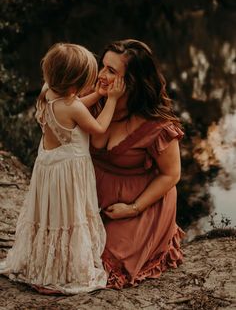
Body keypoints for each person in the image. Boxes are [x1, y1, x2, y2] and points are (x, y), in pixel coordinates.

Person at [0, 42, 125, 294]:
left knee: (50, 216)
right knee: (69, 216)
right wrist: (111, 99)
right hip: (69, 171)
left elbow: (75, 106)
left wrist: (97, 94)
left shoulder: (49, 92)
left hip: (49, 165)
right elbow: (98, 127)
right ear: (73, 86)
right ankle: (63, 271)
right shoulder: (73, 106)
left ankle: (42, 262)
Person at [90, 39, 185, 289]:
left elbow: (171, 175)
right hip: (94, 197)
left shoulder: (156, 126)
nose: (101, 75)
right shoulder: (94, 100)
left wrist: (132, 208)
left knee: (105, 267)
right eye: (103, 66)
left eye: (111, 71)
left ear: (131, 82)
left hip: (139, 203)